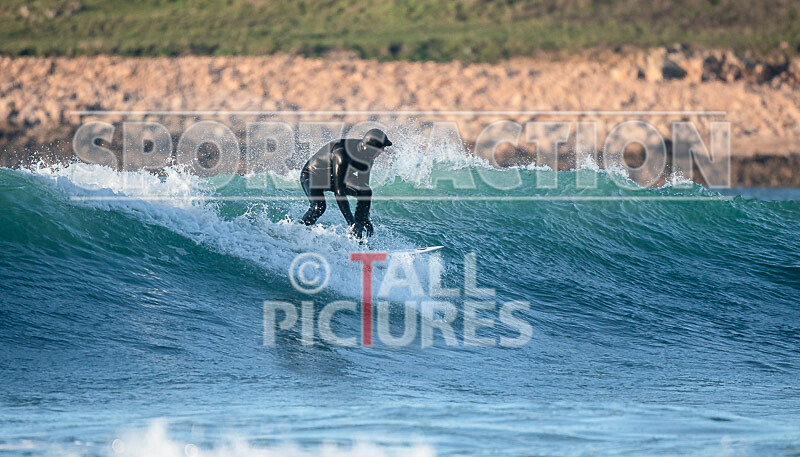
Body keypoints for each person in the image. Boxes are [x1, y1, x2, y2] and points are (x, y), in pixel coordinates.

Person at [299, 128, 392, 238]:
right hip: (312, 175)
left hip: (334, 176)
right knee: (318, 208)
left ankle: (358, 239)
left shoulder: (369, 158)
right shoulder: (342, 153)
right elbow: (339, 192)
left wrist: (364, 218)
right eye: (381, 148)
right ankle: (300, 231)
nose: (383, 151)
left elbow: (363, 188)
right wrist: (351, 223)